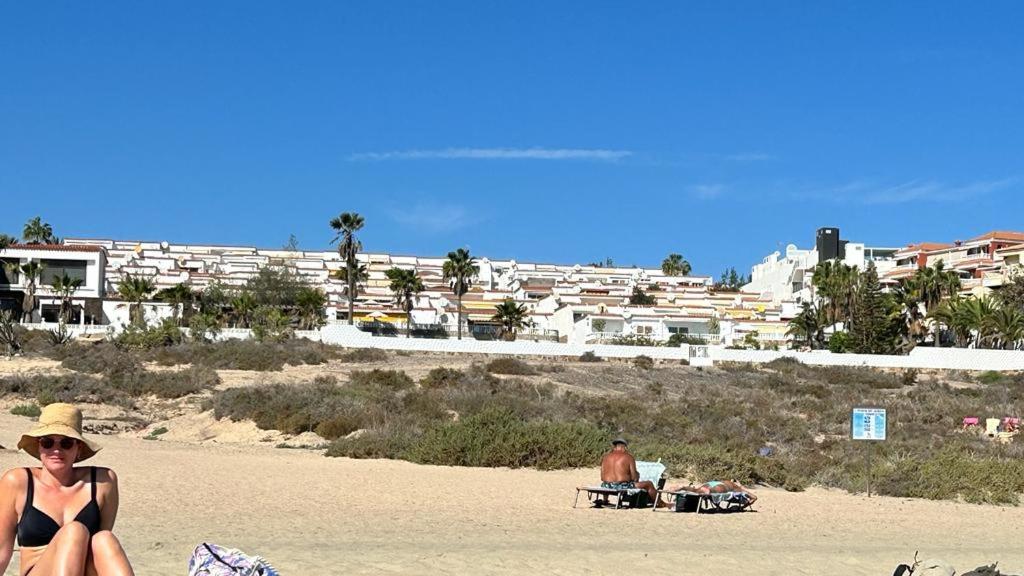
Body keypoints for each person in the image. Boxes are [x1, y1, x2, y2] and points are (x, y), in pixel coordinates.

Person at [0, 403, 134, 576]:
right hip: (38, 571)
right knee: (74, 531)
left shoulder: (103, 482)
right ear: (39, 446)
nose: (56, 450)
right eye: (48, 442)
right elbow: (1, 550)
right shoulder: (18, 481)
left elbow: (98, 552)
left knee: (104, 539)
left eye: (66, 442)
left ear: (78, 448)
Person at [599, 438, 666, 508]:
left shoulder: (605, 457)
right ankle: (659, 503)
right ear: (623, 447)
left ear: (615, 447)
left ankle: (605, 500)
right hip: (621, 486)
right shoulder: (628, 457)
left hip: (606, 485)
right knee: (649, 484)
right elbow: (634, 478)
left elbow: (602, 477)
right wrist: (636, 475)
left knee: (608, 481)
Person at [667, 479, 758, 505]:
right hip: (723, 487)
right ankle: (707, 491)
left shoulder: (726, 481)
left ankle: (684, 487)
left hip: (712, 482)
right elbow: (754, 497)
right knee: (712, 491)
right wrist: (746, 504)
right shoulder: (738, 488)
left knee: (697, 490)